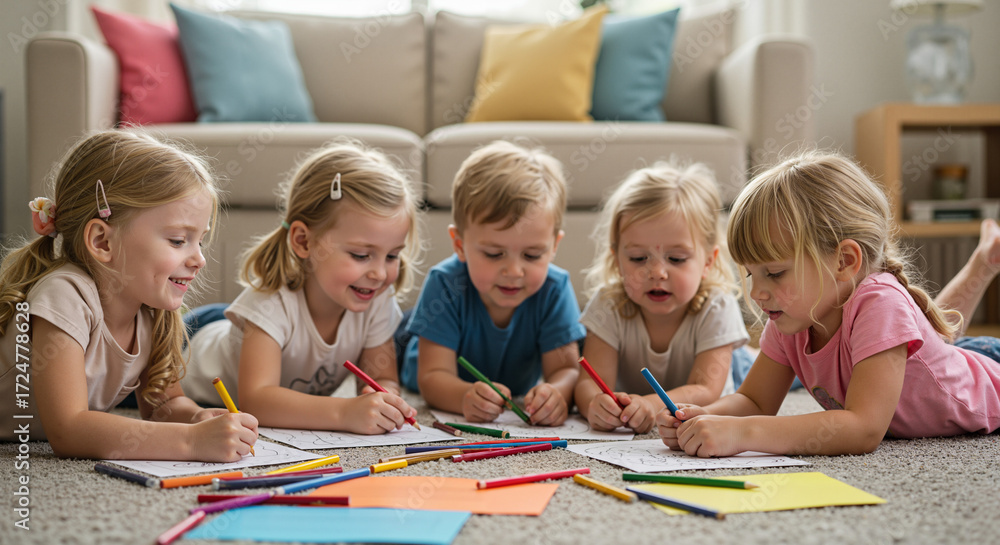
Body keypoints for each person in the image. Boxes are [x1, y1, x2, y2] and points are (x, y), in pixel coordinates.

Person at [657, 151, 1000, 457]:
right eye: (750, 275)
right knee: (941, 343)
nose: (758, 292)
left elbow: (863, 428)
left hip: (989, 367)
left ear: (844, 261)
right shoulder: (791, 317)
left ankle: (983, 264)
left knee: (944, 349)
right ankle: (984, 262)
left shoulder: (880, 302)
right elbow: (756, 401)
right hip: (934, 362)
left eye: (774, 273)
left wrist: (743, 433)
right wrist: (705, 416)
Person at [0, 130, 257, 461]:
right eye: (179, 240)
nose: (199, 259)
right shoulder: (65, 295)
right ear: (103, 242)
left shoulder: (151, 311)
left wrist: (196, 417)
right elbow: (68, 430)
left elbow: (163, 404)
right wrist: (191, 441)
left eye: (200, 241)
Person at [181, 140, 421, 435]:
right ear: (304, 241)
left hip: (232, 328)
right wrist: (345, 412)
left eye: (393, 255)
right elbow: (257, 401)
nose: (380, 273)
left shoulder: (375, 298)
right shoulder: (269, 303)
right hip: (187, 345)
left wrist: (384, 397)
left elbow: (381, 375)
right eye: (361, 255)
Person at [399, 141, 586, 425]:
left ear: (553, 247)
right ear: (459, 245)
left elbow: (567, 371)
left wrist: (557, 393)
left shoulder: (554, 288)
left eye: (532, 255)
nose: (513, 271)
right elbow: (431, 378)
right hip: (409, 347)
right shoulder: (445, 282)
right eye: (494, 254)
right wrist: (464, 396)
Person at [574, 162, 750, 434]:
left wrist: (649, 403)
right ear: (617, 260)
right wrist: (593, 405)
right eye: (638, 258)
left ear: (708, 262)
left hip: (736, 369)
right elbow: (589, 382)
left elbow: (706, 389)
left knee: (768, 372)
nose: (656, 272)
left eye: (676, 259)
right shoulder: (608, 304)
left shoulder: (717, 305)